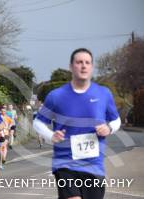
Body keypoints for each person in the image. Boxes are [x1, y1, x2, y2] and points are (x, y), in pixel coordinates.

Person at [33, 48, 121, 199]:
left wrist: (109, 128)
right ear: (71, 66)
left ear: (92, 67)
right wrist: (51, 135)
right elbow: (38, 123)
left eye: (87, 62)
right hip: (65, 163)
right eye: (79, 62)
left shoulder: (103, 93)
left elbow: (116, 120)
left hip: (94, 165)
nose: (83, 66)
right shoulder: (56, 96)